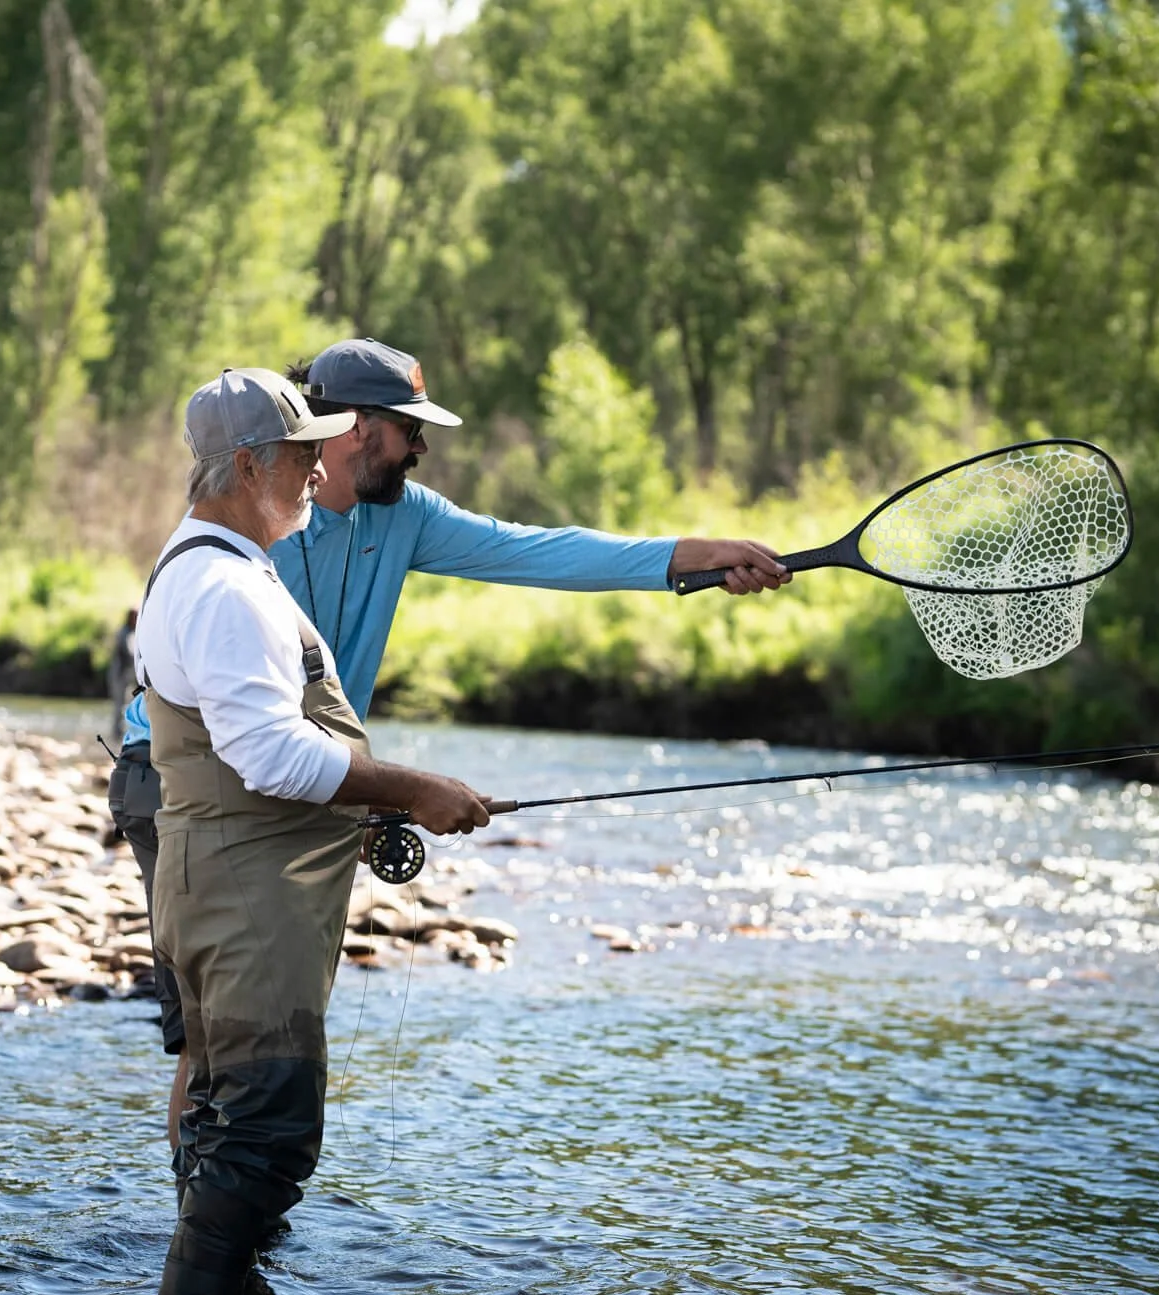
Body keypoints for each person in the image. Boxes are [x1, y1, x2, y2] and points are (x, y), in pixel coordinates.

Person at [108, 337, 789, 1174]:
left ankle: (225, 1225)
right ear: (358, 427)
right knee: (212, 1034)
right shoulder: (264, 513)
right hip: (175, 776)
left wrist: (693, 559)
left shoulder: (407, 517)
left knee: (263, 1020)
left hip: (295, 777)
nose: (422, 447)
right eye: (409, 430)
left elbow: (539, 551)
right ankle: (206, 1228)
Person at [134, 366, 492, 1295]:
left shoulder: (213, 565)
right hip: (246, 902)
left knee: (226, 1113)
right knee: (267, 1129)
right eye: (300, 455)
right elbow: (269, 756)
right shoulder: (222, 586)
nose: (316, 469)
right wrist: (415, 788)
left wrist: (377, 803)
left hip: (224, 887)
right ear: (250, 465)